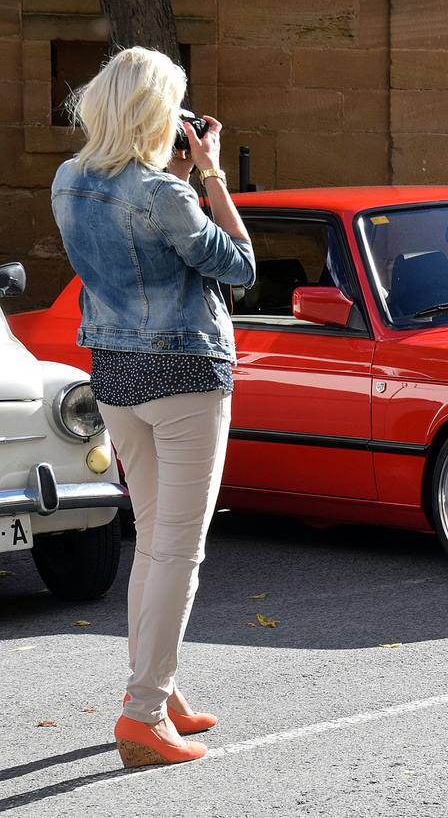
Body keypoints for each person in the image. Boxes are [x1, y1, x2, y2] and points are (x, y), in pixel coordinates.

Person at [52, 47, 256, 768]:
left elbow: (135, 242)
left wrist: (175, 178)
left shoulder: (68, 180)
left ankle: (159, 690)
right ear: (153, 113)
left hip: (114, 373)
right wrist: (211, 173)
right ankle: (142, 714)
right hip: (185, 373)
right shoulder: (167, 194)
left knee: (153, 542)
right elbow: (241, 264)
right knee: (179, 546)